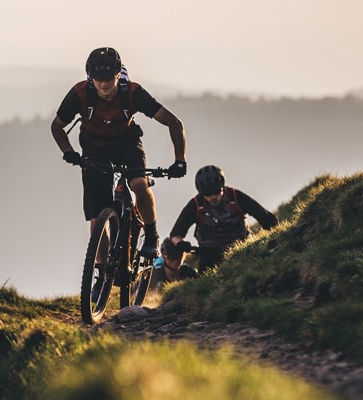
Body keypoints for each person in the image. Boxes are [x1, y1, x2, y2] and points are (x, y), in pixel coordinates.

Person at [51, 47, 187, 259]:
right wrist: (69, 152)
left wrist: (180, 160)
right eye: (98, 79)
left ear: (118, 74)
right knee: (97, 220)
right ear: (90, 78)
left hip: (126, 144)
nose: (104, 84)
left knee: (139, 184)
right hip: (94, 150)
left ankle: (152, 235)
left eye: (108, 79)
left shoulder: (132, 92)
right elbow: (57, 126)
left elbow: (173, 122)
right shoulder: (79, 94)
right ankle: (100, 275)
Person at [169, 165, 279, 274]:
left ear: (222, 186)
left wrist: (275, 237)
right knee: (206, 286)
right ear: (201, 192)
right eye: (208, 194)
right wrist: (182, 244)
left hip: (242, 246)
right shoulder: (195, 205)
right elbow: (175, 235)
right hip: (209, 254)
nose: (213, 197)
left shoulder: (235, 196)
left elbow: (266, 218)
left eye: (216, 191)